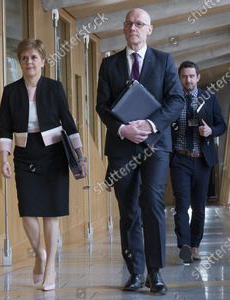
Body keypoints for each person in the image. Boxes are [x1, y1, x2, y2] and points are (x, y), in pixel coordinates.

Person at [96, 8, 184, 295]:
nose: (133, 28)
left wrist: (148, 124)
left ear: (150, 29)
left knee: (153, 202)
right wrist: (123, 130)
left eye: (139, 24)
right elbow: (102, 107)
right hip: (122, 147)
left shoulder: (164, 61)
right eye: (129, 23)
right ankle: (135, 272)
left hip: (155, 145)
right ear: (124, 29)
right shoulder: (109, 65)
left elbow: (176, 100)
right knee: (129, 210)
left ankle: (155, 273)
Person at [0, 38, 85, 291]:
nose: (29, 62)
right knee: (27, 210)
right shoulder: (10, 91)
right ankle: (40, 253)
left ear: (43, 61)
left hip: (54, 152)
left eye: (34, 57)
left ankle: (51, 268)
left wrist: (80, 155)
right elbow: (4, 128)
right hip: (25, 153)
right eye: (24, 58)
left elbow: (68, 122)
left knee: (51, 212)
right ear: (20, 62)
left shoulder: (55, 88)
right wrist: (4, 157)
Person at [171, 61, 226, 263]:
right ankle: (184, 245)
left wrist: (211, 131)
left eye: (192, 76)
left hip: (202, 161)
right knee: (181, 205)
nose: (188, 80)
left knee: (199, 207)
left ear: (198, 77)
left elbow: (222, 124)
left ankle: (195, 246)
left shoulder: (209, 98)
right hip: (180, 160)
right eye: (184, 76)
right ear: (180, 78)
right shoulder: (174, 98)